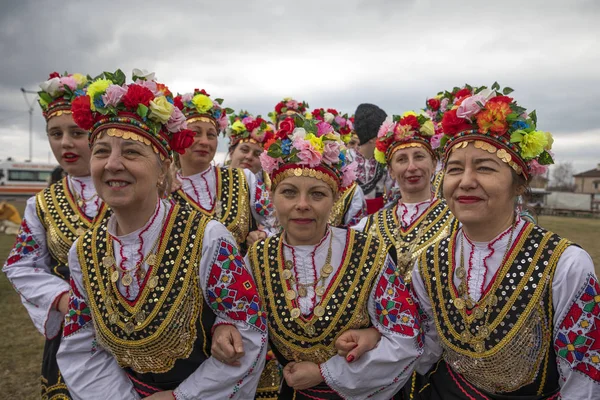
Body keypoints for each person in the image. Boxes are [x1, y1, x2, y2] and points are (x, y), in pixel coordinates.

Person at [346, 84, 600, 399]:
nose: (466, 181)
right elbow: (421, 349)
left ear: (518, 183)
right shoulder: (432, 262)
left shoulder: (566, 266)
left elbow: (584, 376)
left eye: (484, 168)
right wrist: (371, 339)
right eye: (454, 169)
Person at [57, 70, 267, 399]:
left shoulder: (208, 238)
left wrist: (179, 397)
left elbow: (248, 332)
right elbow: (80, 347)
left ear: (163, 168)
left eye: (131, 152)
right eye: (100, 151)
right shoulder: (84, 251)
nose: (112, 164)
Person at [242, 115, 423, 399]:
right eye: (289, 192)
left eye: (317, 194)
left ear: (335, 200)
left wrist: (326, 372)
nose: (302, 205)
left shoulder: (367, 251)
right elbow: (246, 334)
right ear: (271, 196)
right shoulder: (256, 258)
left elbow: (404, 336)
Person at [2, 71, 102, 399]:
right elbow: (21, 265)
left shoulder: (132, 191)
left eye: (76, 132)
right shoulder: (41, 204)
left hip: (141, 333)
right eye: (55, 134)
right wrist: (62, 299)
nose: (65, 144)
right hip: (73, 334)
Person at [353, 111, 453, 286]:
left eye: (419, 157)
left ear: (434, 163)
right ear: (391, 170)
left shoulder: (457, 221)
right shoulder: (367, 227)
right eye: (401, 160)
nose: (412, 167)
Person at [170, 89, 263, 248]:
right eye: (195, 133)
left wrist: (262, 234)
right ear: (177, 138)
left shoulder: (243, 178)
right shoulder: (165, 191)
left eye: (211, 135)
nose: (205, 142)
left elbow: (274, 220)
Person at [352, 103, 394, 214]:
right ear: (373, 138)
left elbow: (392, 194)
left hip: (378, 221)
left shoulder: (385, 162)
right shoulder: (346, 160)